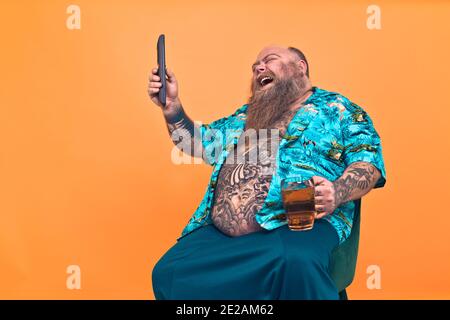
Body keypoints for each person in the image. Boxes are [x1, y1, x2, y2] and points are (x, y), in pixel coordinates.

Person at [148, 45, 386, 300]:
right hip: (220, 234)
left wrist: (336, 192)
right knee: (169, 272)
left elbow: (368, 163)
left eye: (269, 60)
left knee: (296, 262)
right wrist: (172, 108)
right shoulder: (245, 117)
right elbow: (196, 142)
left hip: (297, 224)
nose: (258, 68)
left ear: (300, 67)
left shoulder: (337, 108)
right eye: (254, 67)